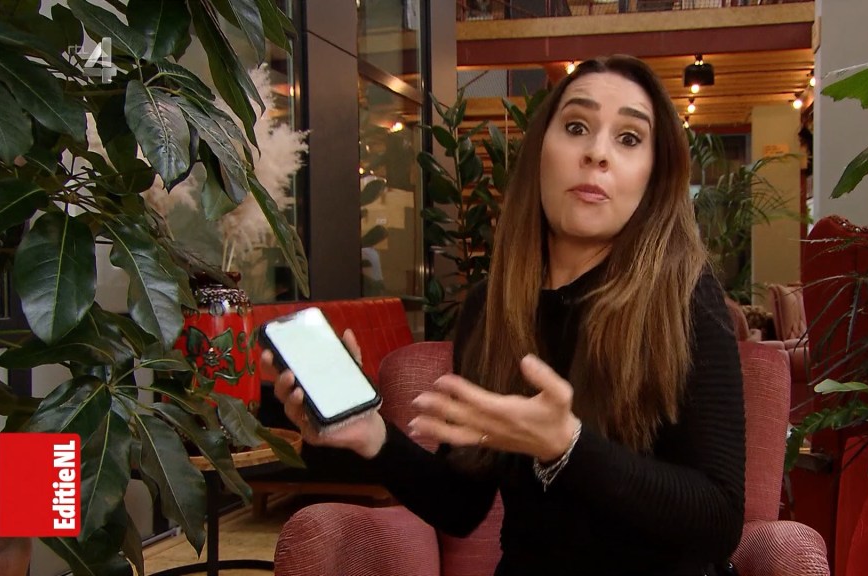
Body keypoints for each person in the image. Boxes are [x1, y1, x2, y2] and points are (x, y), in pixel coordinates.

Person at [265, 54, 746, 576]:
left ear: (654, 175)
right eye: (577, 127)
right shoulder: (491, 308)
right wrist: (372, 436)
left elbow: (719, 521)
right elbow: (460, 504)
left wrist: (568, 447)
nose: (597, 153)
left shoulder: (686, 299)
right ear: (541, 151)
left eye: (629, 138)